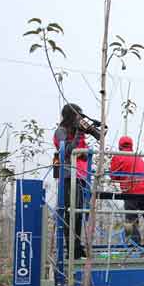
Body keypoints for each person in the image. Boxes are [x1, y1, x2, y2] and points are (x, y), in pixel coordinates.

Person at [53, 103, 90, 259]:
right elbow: (67, 151)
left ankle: (77, 246)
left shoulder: (76, 133)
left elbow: (85, 154)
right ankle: (71, 248)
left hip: (81, 176)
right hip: (69, 176)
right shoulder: (61, 131)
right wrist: (78, 136)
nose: (79, 119)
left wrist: (80, 135)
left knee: (79, 214)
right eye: (77, 115)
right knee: (71, 214)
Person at [110, 136, 144, 246]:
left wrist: (121, 178)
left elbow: (113, 176)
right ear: (131, 145)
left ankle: (135, 244)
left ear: (119, 146)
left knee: (131, 219)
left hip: (131, 191)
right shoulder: (138, 157)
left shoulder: (118, 156)